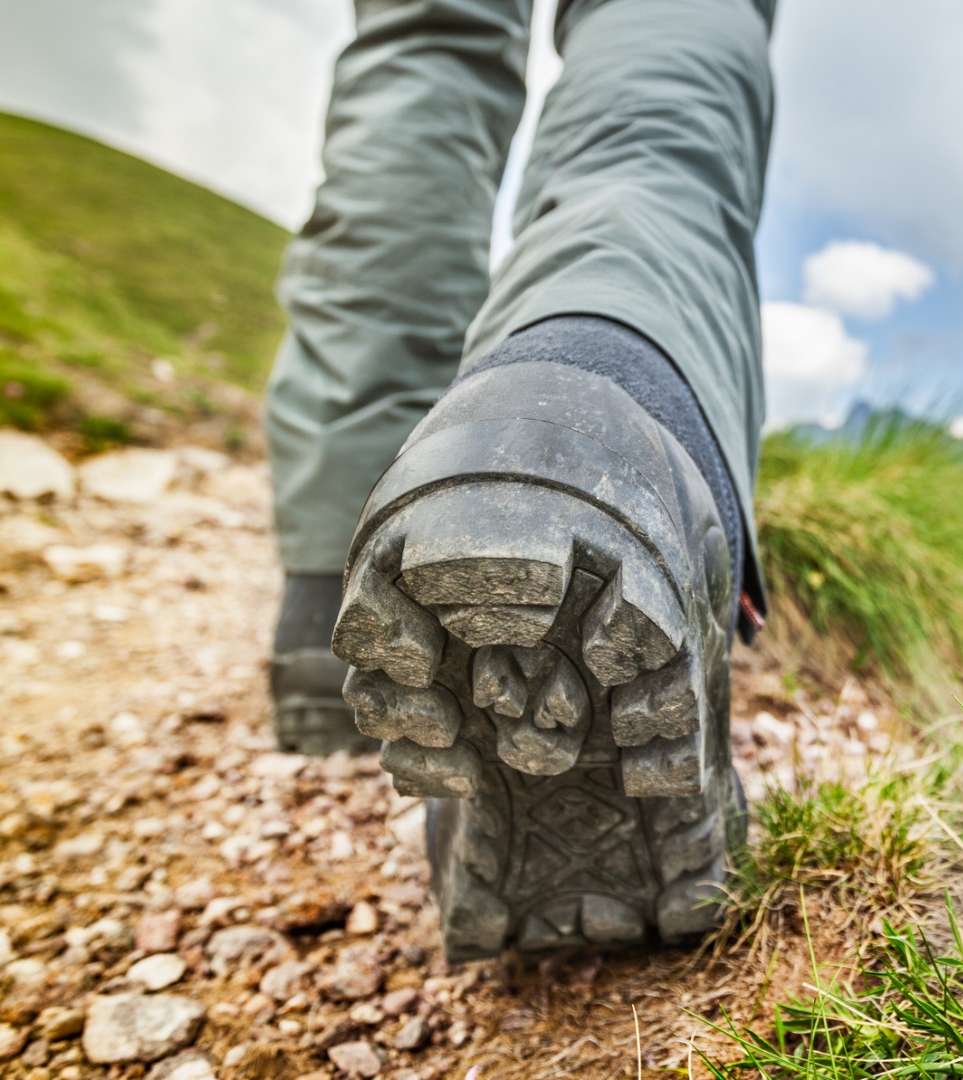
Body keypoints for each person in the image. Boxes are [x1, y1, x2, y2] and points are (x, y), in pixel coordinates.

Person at [261, 0, 773, 961]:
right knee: (663, 24)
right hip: (623, 402)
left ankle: (327, 588)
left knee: (427, 40)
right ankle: (604, 385)